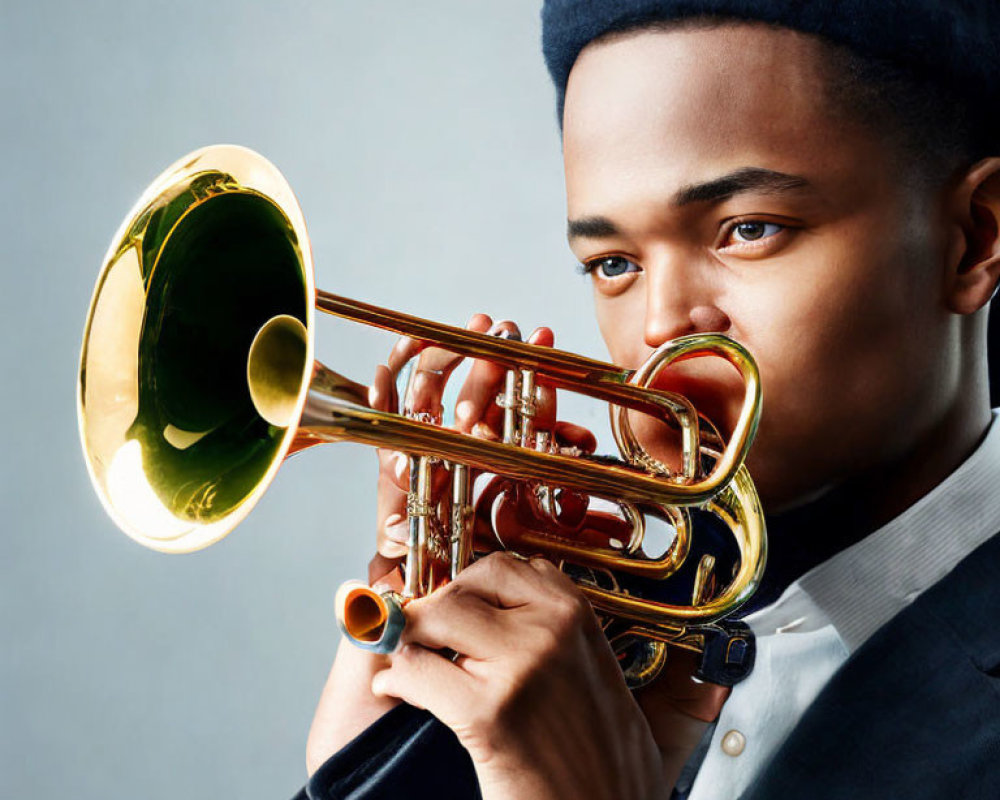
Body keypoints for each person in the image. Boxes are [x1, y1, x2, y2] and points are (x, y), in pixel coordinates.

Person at [295, 2, 1000, 798]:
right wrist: (374, 765)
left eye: (750, 228)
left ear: (973, 236)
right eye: (611, 263)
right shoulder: (599, 641)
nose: (660, 324)